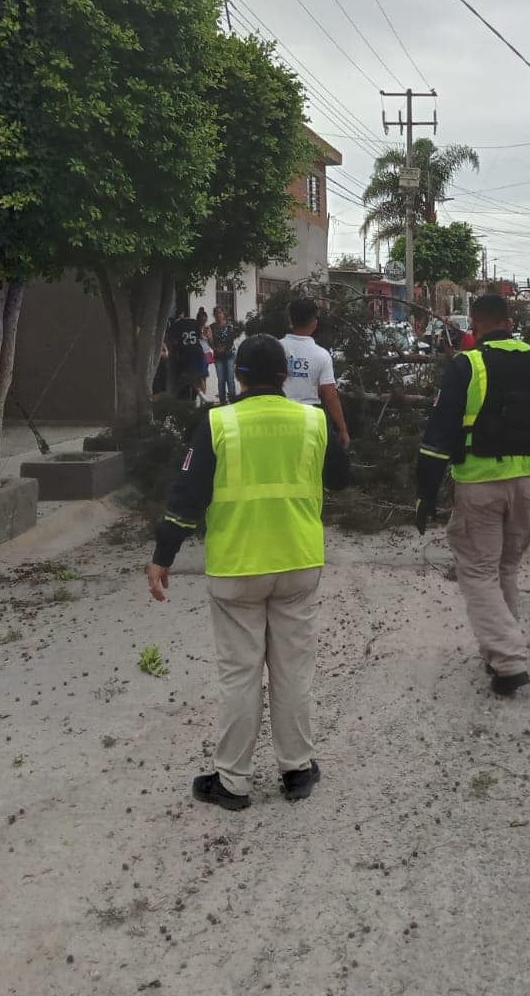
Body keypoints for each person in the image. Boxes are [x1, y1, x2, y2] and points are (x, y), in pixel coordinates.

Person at [146, 334, 351, 810]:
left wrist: (164, 554)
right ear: (285, 375)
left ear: (237, 375)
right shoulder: (312, 421)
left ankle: (233, 782)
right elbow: (341, 477)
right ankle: (297, 769)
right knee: (293, 671)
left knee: (240, 675)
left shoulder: (218, 423)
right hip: (299, 562)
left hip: (237, 568)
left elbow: (186, 497)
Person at [415, 292, 530, 696]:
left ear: (476, 326)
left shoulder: (468, 364)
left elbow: (439, 436)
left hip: (480, 486)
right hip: (528, 487)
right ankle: (498, 654)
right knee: (503, 568)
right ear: (510, 320)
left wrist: (426, 494)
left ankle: (509, 658)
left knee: (479, 572)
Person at [281, 297, 351, 449]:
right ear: (314, 323)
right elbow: (330, 396)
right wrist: (343, 429)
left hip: (280, 416)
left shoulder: (276, 348)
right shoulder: (321, 355)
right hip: (310, 418)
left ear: (290, 320)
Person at [165, 305, 204, 401]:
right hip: (198, 354)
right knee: (197, 379)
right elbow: (200, 336)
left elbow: (173, 341)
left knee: (183, 382)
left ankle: (183, 401)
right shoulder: (194, 322)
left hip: (184, 356)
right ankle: (196, 400)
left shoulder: (175, 324)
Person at [212, 306, 241, 403]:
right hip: (218, 356)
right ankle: (222, 402)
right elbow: (211, 342)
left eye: (220, 312)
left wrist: (224, 348)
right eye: (216, 313)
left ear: (223, 314)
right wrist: (214, 348)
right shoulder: (212, 327)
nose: (218, 315)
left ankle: (232, 401)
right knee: (221, 380)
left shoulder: (230, 325)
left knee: (230, 379)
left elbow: (232, 338)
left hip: (229, 355)